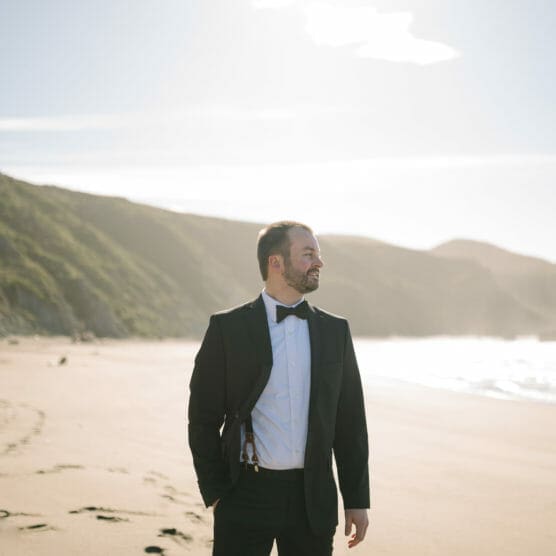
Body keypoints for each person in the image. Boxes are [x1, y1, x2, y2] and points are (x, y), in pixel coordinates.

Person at [188, 221, 370, 556]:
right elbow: (202, 416)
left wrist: (356, 500)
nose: (319, 262)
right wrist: (214, 489)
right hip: (243, 493)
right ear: (276, 262)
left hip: (312, 497)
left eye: (318, 253)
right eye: (308, 254)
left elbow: (350, 423)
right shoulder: (227, 329)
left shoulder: (335, 332)